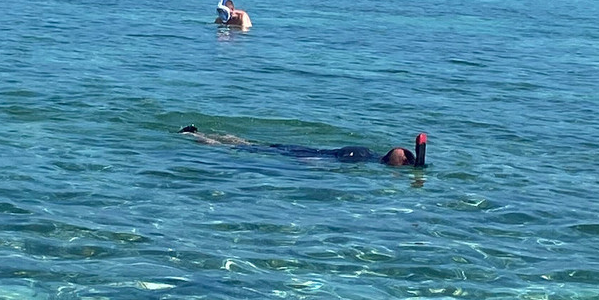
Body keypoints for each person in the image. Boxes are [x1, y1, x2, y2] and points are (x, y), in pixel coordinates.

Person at [178, 125, 427, 167]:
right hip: (309, 153)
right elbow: (328, 163)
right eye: (405, 155)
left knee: (253, 146)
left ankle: (198, 135)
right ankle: (199, 137)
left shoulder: (370, 159)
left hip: (309, 152)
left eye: (405, 157)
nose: (404, 154)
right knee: (250, 147)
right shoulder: (368, 158)